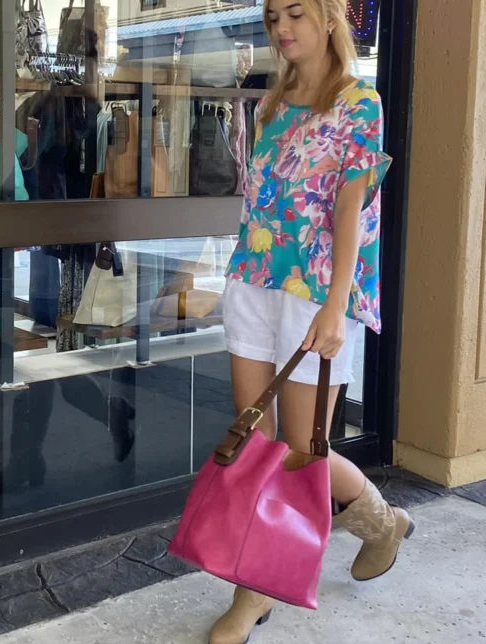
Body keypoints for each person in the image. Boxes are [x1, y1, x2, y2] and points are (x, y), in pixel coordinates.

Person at [210, 0, 414, 641]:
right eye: (273, 16)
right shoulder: (270, 104)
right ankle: (264, 585)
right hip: (253, 279)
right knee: (255, 444)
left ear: (329, 18)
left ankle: (365, 533)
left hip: (315, 290)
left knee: (301, 453)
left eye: (295, 13)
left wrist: (336, 303)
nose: (281, 28)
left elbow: (351, 209)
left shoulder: (360, 102)